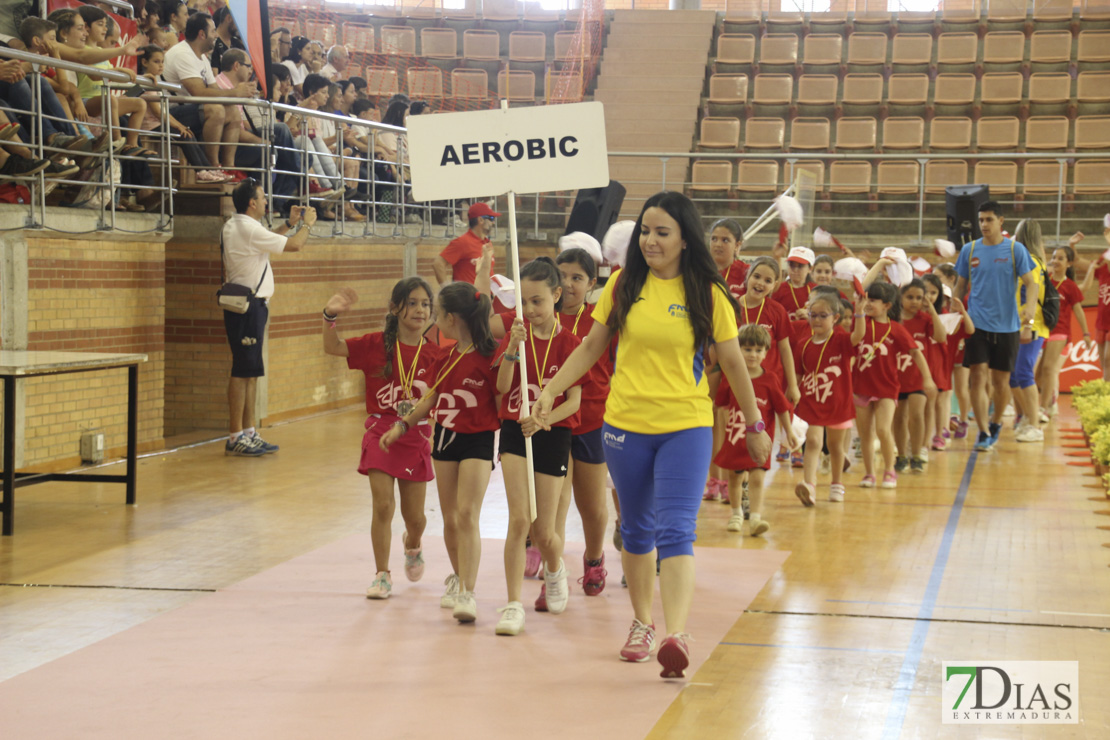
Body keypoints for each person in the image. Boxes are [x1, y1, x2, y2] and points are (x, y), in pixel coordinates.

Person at [531, 191, 771, 680]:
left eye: (663, 232)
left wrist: (755, 424)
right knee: (637, 529)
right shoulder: (623, 284)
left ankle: (676, 634)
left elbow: (730, 360)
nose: (651, 240)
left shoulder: (707, 290)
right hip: (625, 428)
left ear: (686, 239)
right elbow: (592, 346)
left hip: (686, 426)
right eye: (645, 231)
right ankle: (642, 622)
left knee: (677, 528)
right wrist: (551, 390)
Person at [379, 283, 500, 625]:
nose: (432, 319)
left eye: (436, 313)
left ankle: (468, 592)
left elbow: (503, 395)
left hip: (478, 439)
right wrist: (402, 426)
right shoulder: (446, 358)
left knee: (466, 513)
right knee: (449, 519)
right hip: (446, 438)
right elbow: (429, 399)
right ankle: (459, 576)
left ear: (449, 318)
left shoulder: (491, 355)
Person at [321, 280, 441, 600]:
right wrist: (329, 316)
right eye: (412, 303)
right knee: (383, 505)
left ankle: (412, 544)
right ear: (394, 308)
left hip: (415, 434)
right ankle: (382, 575)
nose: (419, 310)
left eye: (425, 304)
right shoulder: (376, 344)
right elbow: (333, 347)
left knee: (414, 518)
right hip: (379, 431)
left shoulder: (436, 354)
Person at [493, 257, 583, 636]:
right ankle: (513, 604)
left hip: (552, 434)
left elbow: (575, 402)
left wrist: (544, 418)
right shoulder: (516, 336)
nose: (529, 310)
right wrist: (513, 349)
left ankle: (555, 568)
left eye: (537, 301)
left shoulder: (572, 344)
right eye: (523, 303)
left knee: (544, 531)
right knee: (518, 520)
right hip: (515, 430)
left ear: (556, 295)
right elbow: (501, 387)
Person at [221, 178, 316, 456]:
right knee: (242, 372)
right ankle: (234, 435)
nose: (266, 202)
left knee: (250, 372)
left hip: (251, 306)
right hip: (248, 307)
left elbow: (269, 240)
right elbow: (295, 246)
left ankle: (248, 432)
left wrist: (288, 224)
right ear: (252, 203)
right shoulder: (248, 229)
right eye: (263, 198)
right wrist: (307, 224)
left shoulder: (237, 225)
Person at [552, 245, 612, 598]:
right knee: (553, 500)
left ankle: (593, 558)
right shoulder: (541, 315)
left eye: (577, 278)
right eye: (562, 276)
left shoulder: (602, 322)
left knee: (590, 504)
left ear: (591, 284)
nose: (569, 284)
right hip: (552, 421)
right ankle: (552, 565)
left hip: (591, 420)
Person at [954, 201, 1037, 452]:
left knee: (1001, 383)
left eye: (989, 219)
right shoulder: (969, 250)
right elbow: (960, 286)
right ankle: (982, 430)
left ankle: (996, 422)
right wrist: (955, 314)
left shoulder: (1015, 250)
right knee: (977, 376)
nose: (984, 224)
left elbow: (1031, 284)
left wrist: (1030, 313)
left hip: (1007, 326)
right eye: (981, 220)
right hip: (976, 324)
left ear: (1001, 222)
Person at [714, 324, 798, 535]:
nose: (753, 355)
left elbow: (782, 409)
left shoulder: (770, 380)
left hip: (760, 441)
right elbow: (721, 406)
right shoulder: (730, 377)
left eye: (758, 350)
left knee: (758, 477)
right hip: (735, 439)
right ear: (738, 350)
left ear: (766, 353)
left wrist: (789, 432)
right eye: (747, 349)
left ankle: (756, 518)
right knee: (734, 477)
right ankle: (736, 514)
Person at [162, 12, 251, 178]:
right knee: (215, 109)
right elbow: (199, 92)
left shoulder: (202, 58)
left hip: (190, 108)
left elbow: (215, 90)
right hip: (171, 111)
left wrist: (232, 96)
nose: (216, 35)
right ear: (201, 34)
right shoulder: (183, 53)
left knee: (231, 110)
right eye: (213, 31)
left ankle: (228, 167)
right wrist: (235, 92)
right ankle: (212, 165)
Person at [852, 282, 923, 489]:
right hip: (861, 386)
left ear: (886, 305)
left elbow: (915, 352)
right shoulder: (860, 323)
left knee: (883, 430)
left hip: (887, 388)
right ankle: (869, 474)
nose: (868, 303)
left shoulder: (896, 329)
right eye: (866, 299)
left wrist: (927, 379)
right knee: (865, 434)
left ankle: (890, 470)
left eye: (873, 300)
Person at [792, 290, 858, 506]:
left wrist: (861, 315)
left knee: (836, 447)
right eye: (813, 314)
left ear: (835, 318)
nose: (817, 319)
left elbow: (859, 337)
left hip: (837, 403)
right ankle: (809, 485)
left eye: (823, 315)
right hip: (811, 403)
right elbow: (798, 376)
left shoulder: (842, 340)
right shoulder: (803, 344)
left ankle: (836, 484)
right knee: (812, 442)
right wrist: (791, 397)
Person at [1039, 243, 1092, 419]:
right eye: (1054, 257)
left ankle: (1043, 408)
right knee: (1037, 374)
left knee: (1049, 369)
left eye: (1060, 258)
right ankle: (1051, 399)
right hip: (1042, 331)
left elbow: (1078, 311)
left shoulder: (1070, 286)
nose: (1055, 261)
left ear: (1069, 263)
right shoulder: (1044, 280)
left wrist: (1085, 334)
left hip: (1060, 332)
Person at [434, 202, 500, 287]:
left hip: (485, 297)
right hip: (468, 298)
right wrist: (447, 291)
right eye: (491, 218)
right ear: (480, 220)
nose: (493, 222)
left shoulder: (487, 243)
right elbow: (438, 264)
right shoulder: (463, 242)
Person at [1079, 229, 1110, 381]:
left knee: (1108, 357)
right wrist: (1072, 246)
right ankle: (1106, 391)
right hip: (1102, 321)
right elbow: (1079, 262)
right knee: (1103, 361)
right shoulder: (1102, 265)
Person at [772, 245, 814, 321]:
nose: (795, 270)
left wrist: (810, 317)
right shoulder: (779, 289)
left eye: (800, 266)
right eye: (792, 265)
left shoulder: (815, 290)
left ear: (810, 269)